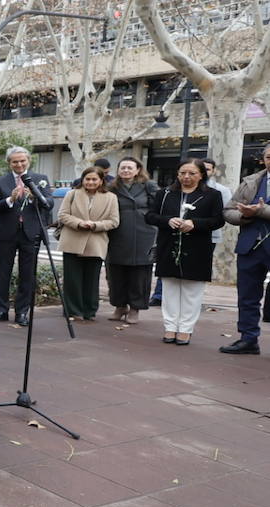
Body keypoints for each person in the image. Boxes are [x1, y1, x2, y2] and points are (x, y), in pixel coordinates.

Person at [146, 159, 224, 345]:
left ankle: (186, 329)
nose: (186, 177)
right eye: (182, 173)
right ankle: (170, 327)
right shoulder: (164, 193)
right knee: (169, 290)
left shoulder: (212, 195)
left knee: (192, 292)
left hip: (197, 248)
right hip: (169, 245)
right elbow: (150, 216)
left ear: (201, 175)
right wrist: (167, 221)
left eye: (192, 173)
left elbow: (218, 220)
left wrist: (195, 223)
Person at [0, 147, 53, 326]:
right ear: (9, 163)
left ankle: (22, 312)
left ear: (28, 161)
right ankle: (0, 309)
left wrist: (35, 196)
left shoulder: (40, 179)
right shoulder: (1, 181)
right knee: (3, 272)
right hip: (7, 233)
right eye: (15, 161)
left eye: (22, 161)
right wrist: (10, 199)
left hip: (31, 232)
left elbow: (48, 203)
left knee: (27, 275)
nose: (19, 164)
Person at [220, 143, 270, 355]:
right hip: (250, 246)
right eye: (268, 156)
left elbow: (261, 210)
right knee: (247, 295)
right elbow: (228, 210)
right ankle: (248, 338)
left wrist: (260, 210)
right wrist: (244, 216)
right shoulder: (251, 181)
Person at [57, 166, 120, 322]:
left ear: (101, 181)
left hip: (96, 242)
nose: (90, 182)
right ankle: (73, 310)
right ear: (83, 180)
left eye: (94, 179)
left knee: (92, 280)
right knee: (72, 279)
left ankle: (89, 311)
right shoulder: (72, 194)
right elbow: (63, 215)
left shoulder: (111, 197)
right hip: (72, 239)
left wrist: (95, 225)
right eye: (87, 179)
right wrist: (79, 223)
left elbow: (114, 221)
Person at [106, 157, 160, 324]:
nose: (126, 171)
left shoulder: (148, 185)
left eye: (130, 168)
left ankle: (135, 308)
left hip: (143, 234)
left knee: (139, 274)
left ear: (138, 170)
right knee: (115, 272)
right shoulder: (112, 187)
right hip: (117, 233)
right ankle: (119, 306)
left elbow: (157, 207)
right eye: (123, 168)